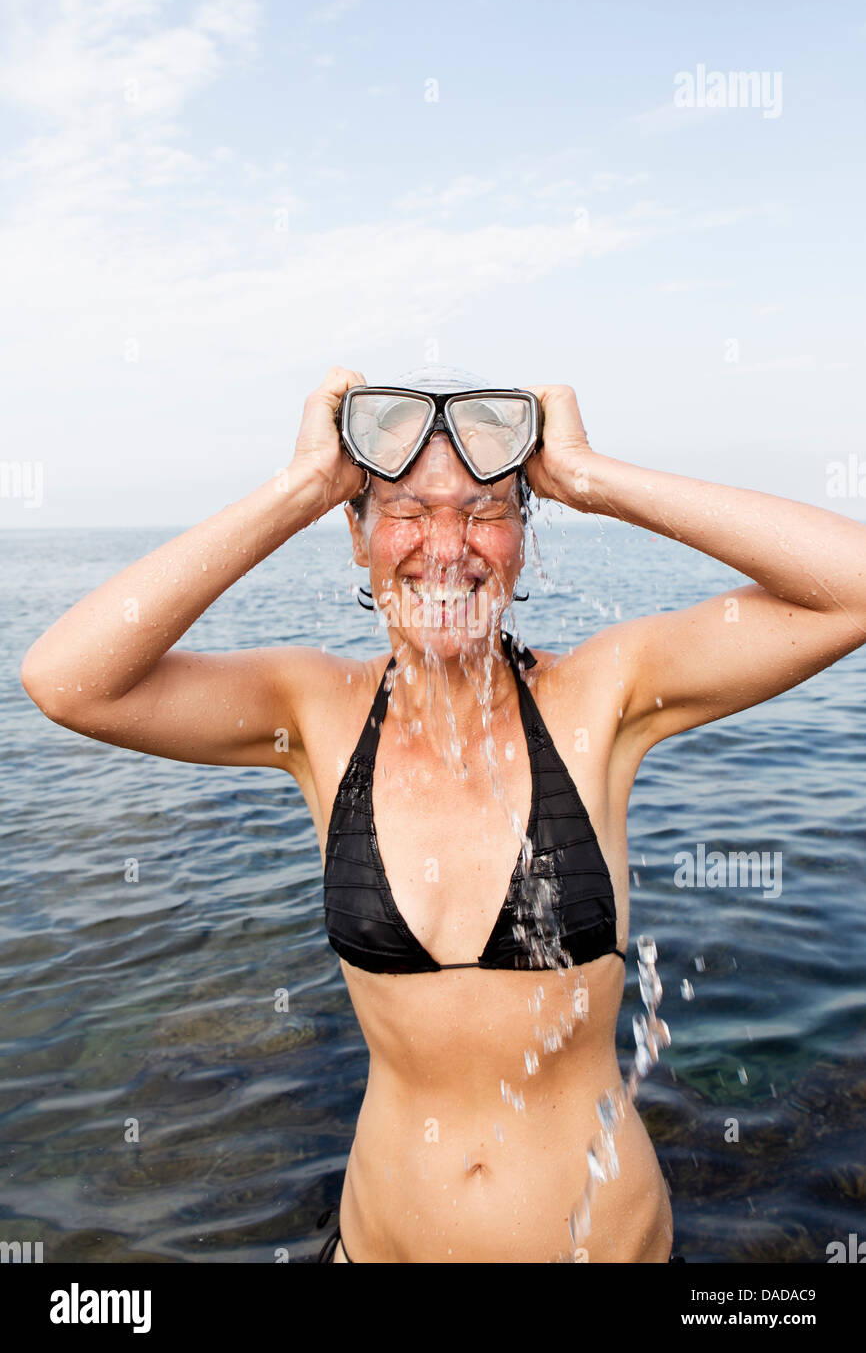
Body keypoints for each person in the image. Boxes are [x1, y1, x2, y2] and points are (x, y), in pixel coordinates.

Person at [20, 364, 866, 1263]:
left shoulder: (600, 695)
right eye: (409, 513)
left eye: (485, 511)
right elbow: (67, 680)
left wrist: (591, 476)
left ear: (525, 533)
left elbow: (851, 586)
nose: (447, 545)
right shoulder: (315, 712)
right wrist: (301, 486)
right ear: (358, 533)